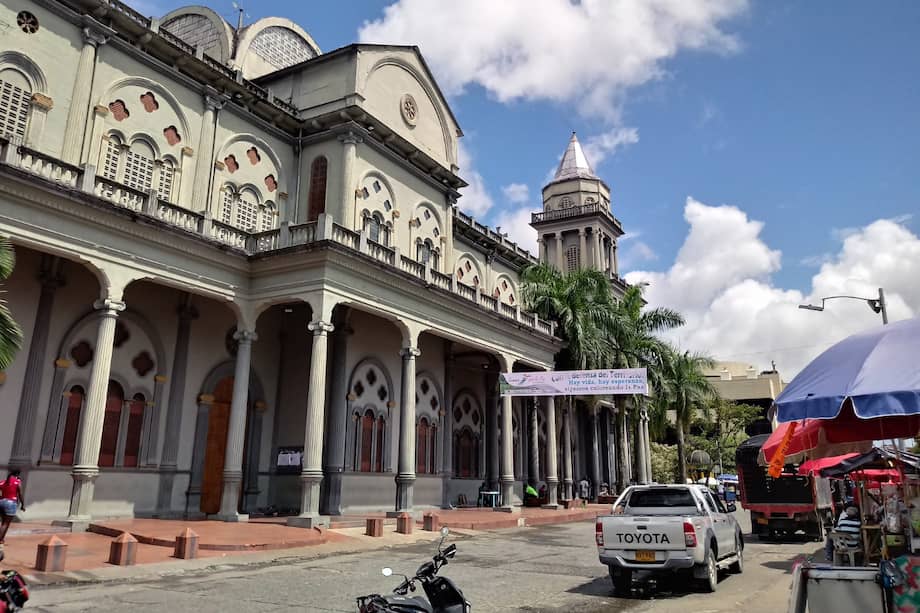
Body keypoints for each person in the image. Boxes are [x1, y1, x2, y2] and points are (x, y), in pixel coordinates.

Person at [0, 470, 25, 545]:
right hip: (11, 503)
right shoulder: (17, 482)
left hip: (1, 502)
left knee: (3, 522)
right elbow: (20, 493)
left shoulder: (3, 482)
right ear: (17, 475)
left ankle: (1, 539)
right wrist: (23, 505)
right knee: (6, 524)